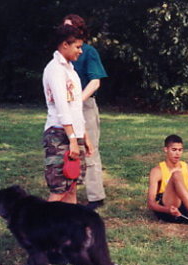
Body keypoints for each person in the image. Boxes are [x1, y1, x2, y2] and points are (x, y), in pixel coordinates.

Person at [42, 25, 93, 204]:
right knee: (59, 189)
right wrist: (72, 139)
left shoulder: (70, 70)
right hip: (59, 134)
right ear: (65, 44)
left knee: (71, 187)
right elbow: (62, 108)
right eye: (77, 47)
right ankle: (43, 230)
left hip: (73, 134)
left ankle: (70, 230)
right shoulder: (55, 69)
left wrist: (84, 136)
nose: (80, 51)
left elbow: (75, 107)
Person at [63, 14, 107, 210]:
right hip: (65, 109)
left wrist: (77, 102)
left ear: (80, 31)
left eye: (70, 28)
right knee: (67, 149)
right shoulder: (61, 55)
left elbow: (95, 81)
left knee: (90, 150)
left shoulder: (89, 52)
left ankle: (95, 196)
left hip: (85, 105)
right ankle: (67, 193)